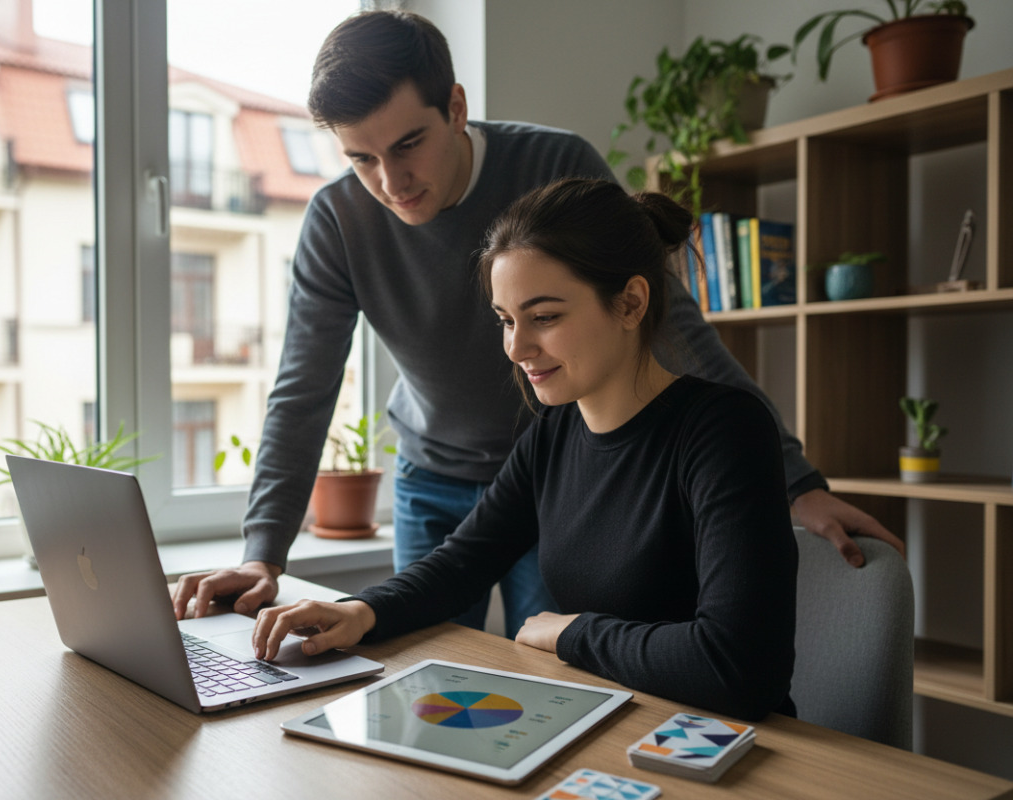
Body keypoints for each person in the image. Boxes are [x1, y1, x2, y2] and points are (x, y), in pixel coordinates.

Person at [172, 10, 900, 636]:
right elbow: (303, 387)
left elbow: (670, 321)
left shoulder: (551, 161)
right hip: (431, 474)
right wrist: (263, 554)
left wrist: (794, 479)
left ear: (456, 107)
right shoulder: (338, 219)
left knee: (560, 673)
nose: (390, 183)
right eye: (361, 158)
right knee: (416, 663)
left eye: (408, 145)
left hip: (555, 475)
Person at [251, 179, 798, 721]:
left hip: (721, 741)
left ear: (631, 303)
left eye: (544, 317)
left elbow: (739, 667)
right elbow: (463, 562)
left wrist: (571, 632)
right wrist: (362, 611)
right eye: (506, 320)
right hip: (614, 717)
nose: (516, 348)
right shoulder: (555, 430)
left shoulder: (725, 430)